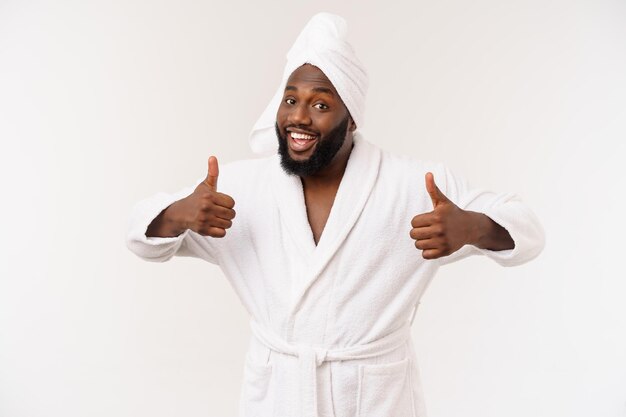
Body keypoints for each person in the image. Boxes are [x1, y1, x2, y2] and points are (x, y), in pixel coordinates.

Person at [126, 12, 545, 417]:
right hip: (279, 397)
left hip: (374, 399)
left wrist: (474, 227)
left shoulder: (410, 185)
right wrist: (177, 215)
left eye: (320, 105)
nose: (298, 117)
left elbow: (527, 229)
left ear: (351, 118)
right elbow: (136, 233)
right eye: (290, 100)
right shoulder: (242, 189)